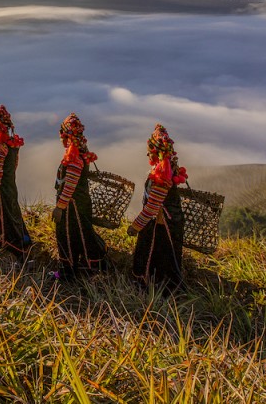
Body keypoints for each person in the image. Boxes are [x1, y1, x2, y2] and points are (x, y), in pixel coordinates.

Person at [127, 123, 188, 291]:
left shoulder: (163, 171)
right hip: (163, 222)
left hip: (160, 225)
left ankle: (151, 286)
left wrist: (136, 226)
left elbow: (153, 206)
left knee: (155, 254)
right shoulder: (165, 166)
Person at [53, 113, 112, 279]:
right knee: (83, 233)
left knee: (68, 235)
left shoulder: (73, 156)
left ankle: (68, 271)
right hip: (79, 203)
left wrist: (60, 207)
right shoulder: (80, 152)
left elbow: (70, 183)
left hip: (72, 207)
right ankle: (90, 266)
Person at [0, 105, 31, 256]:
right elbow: (14, 165)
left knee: (2, 218)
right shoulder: (12, 145)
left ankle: (7, 247)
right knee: (13, 215)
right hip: (11, 187)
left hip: (0, 190)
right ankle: (22, 242)